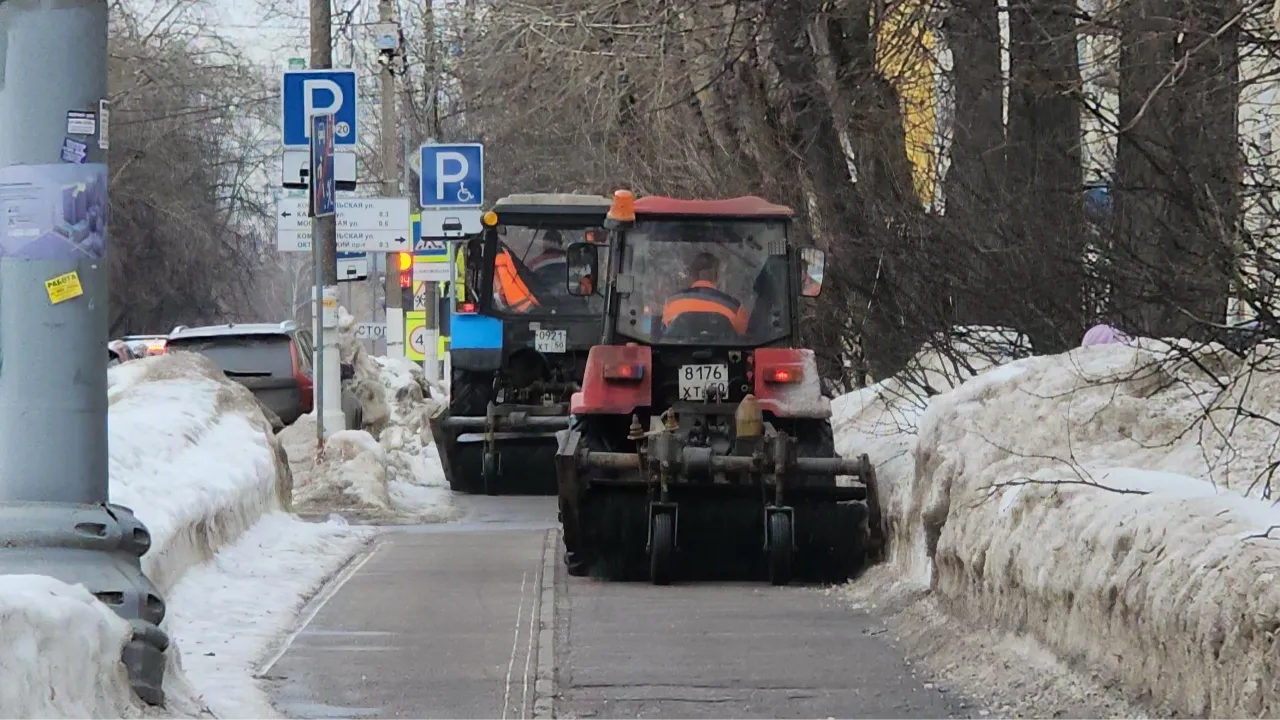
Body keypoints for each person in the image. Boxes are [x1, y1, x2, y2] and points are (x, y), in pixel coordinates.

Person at [661, 252, 749, 335]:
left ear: (692, 274)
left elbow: (665, 335)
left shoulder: (671, 303)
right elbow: (742, 339)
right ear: (716, 275)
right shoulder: (734, 308)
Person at [493, 244, 539, 313]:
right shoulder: (507, 258)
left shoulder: (495, 264)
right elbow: (519, 280)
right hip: (525, 304)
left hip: (512, 306)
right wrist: (536, 300)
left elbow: (499, 288)